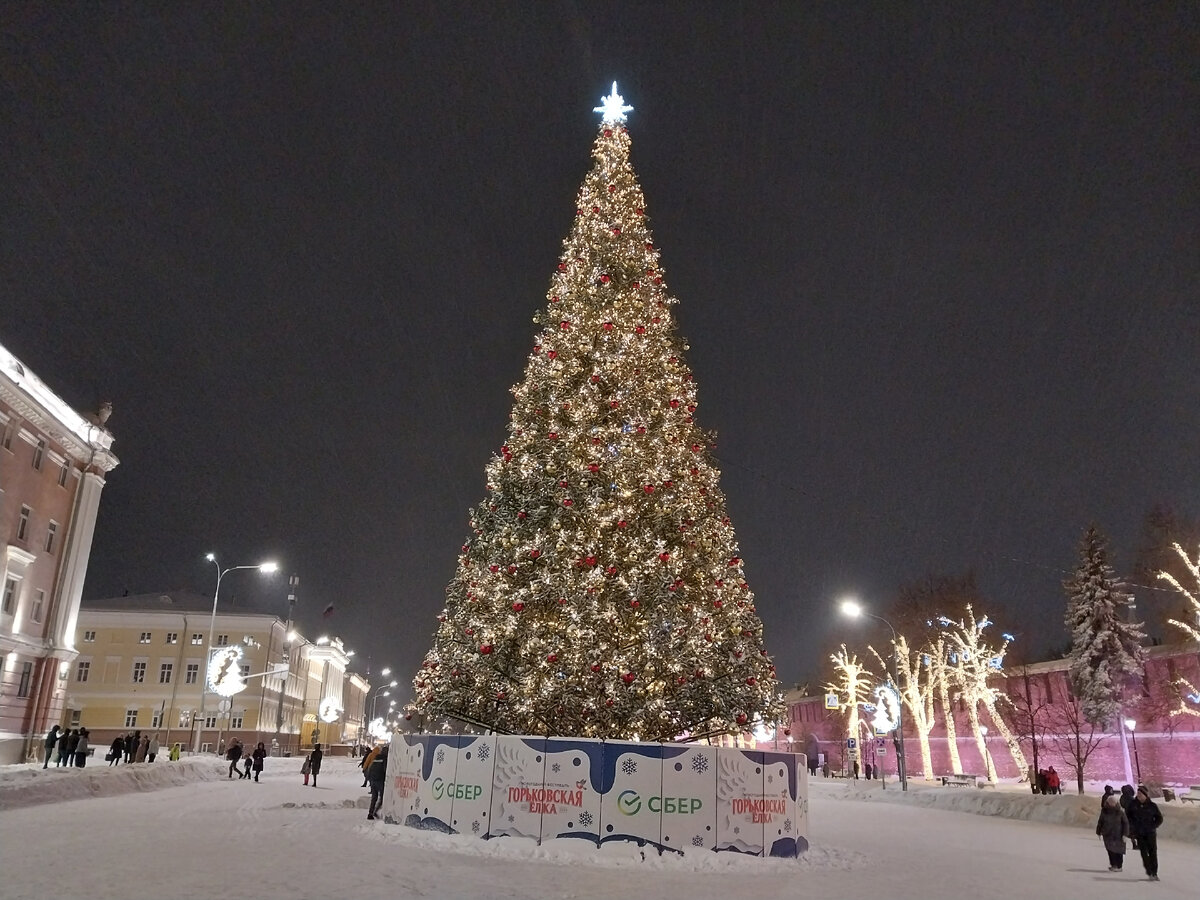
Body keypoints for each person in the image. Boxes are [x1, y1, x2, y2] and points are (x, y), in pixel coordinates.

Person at [1126, 785, 1163, 881]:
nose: (1138, 795)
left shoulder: (1152, 806)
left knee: (1153, 853)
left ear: (1145, 795)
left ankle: (1154, 872)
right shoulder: (1133, 805)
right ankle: (1149, 871)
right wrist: (1132, 826)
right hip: (1139, 833)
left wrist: (1153, 826)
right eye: (1137, 793)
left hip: (1150, 833)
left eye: (1140, 794)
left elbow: (1159, 818)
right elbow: (1128, 816)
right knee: (1143, 853)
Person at [1095, 793, 1130, 872]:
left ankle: (1119, 866)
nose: (1112, 804)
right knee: (1110, 850)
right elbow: (1100, 821)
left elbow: (1126, 823)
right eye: (1110, 802)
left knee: (1119, 851)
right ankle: (1113, 865)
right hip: (1107, 834)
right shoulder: (1104, 811)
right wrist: (1098, 831)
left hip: (1119, 834)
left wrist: (1125, 834)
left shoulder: (1120, 812)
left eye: (1114, 802)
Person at [367, 745, 389, 820]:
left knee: (374, 797)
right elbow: (385, 770)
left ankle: (370, 813)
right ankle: (375, 811)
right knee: (382, 798)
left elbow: (370, 768)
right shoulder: (384, 759)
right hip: (380, 781)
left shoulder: (376, 758)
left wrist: (369, 779)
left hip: (373, 780)